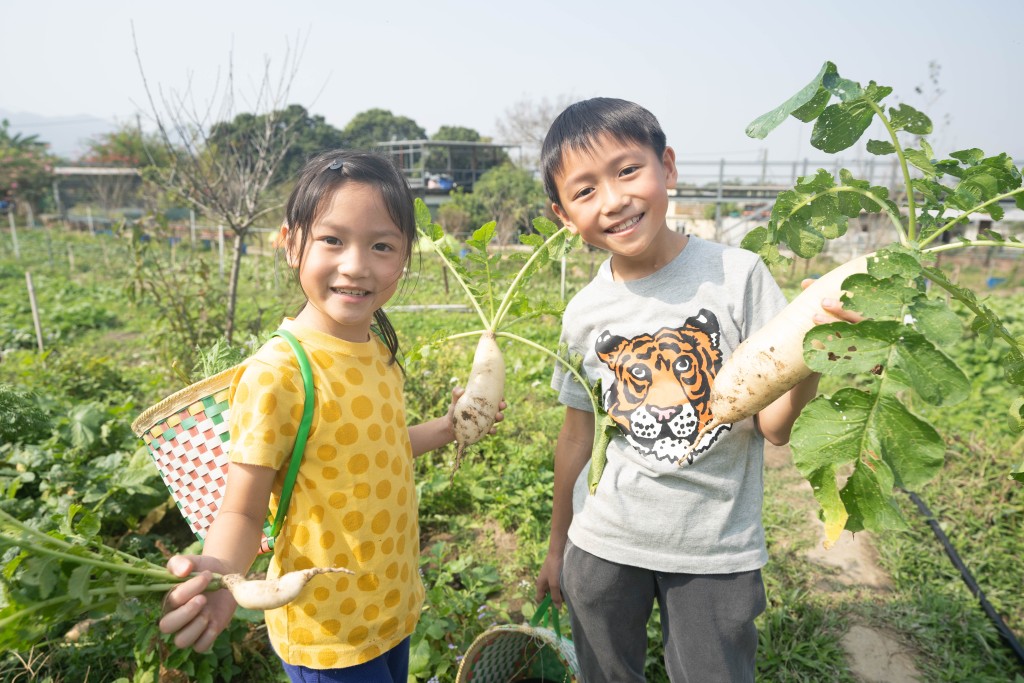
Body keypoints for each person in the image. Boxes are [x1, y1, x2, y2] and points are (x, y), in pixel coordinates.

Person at [533, 98, 860, 682]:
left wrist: (812, 351)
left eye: (627, 170)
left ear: (667, 167)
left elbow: (774, 429)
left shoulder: (738, 276)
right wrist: (558, 545)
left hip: (714, 548)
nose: (613, 199)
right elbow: (576, 437)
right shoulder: (584, 312)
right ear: (564, 216)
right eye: (585, 191)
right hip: (603, 542)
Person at [159, 150, 502, 682]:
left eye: (382, 245)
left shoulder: (378, 351)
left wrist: (447, 426)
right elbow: (243, 512)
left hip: (390, 607)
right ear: (291, 243)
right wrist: (224, 573)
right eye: (332, 240)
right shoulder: (279, 374)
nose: (356, 265)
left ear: (404, 258)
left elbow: (376, 448)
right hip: (329, 632)